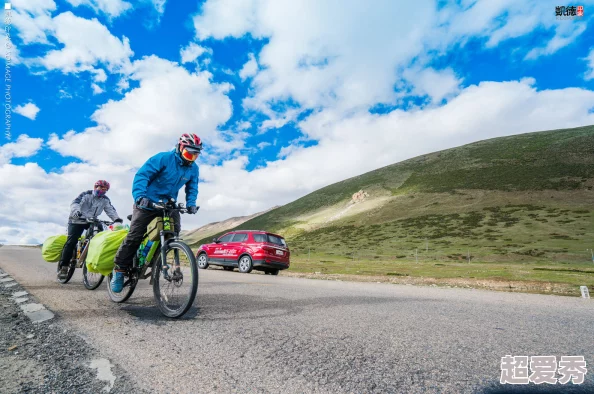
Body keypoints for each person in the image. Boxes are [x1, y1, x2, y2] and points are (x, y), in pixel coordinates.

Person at [111, 133, 201, 292]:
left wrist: (191, 204)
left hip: (168, 204)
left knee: (173, 234)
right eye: (189, 153)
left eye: (195, 155)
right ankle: (119, 269)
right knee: (135, 236)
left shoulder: (193, 169)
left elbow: (192, 188)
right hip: (147, 202)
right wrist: (140, 197)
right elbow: (142, 176)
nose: (191, 158)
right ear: (180, 148)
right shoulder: (163, 158)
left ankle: (156, 260)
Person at [58, 180, 123, 279]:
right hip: (77, 220)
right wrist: (77, 212)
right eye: (101, 188)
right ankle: (64, 266)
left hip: (92, 221)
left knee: (100, 237)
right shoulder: (86, 194)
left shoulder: (105, 199)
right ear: (95, 187)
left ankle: (90, 252)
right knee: (71, 242)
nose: (102, 190)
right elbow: (75, 203)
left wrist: (116, 219)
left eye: (105, 189)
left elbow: (110, 210)